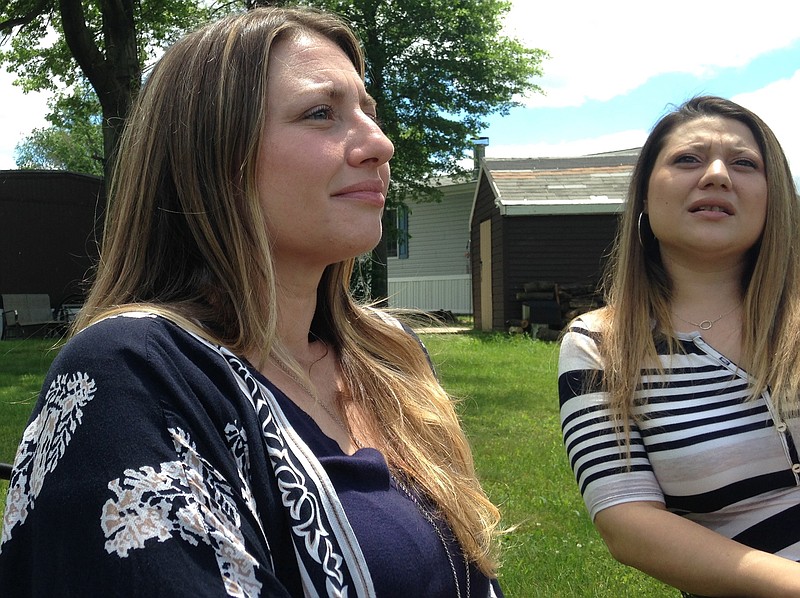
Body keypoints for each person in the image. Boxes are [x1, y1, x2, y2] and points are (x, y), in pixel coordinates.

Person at [0, 7, 503, 597]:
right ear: (212, 158)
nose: (380, 144)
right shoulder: (135, 372)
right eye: (321, 114)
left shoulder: (388, 355)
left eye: (369, 112)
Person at [558, 96, 800, 597]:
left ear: (774, 197)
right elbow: (628, 524)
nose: (716, 175)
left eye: (744, 163)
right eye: (687, 159)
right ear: (645, 196)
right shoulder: (599, 345)